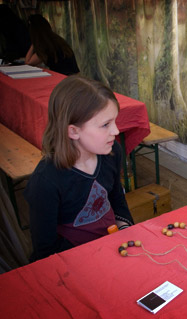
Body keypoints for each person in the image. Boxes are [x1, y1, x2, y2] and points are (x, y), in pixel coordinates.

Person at [24, 76, 134, 262]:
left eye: (114, 121)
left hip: (113, 242)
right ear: (73, 131)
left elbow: (116, 197)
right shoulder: (46, 182)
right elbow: (45, 250)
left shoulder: (112, 152)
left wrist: (124, 229)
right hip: (76, 259)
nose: (116, 131)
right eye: (105, 125)